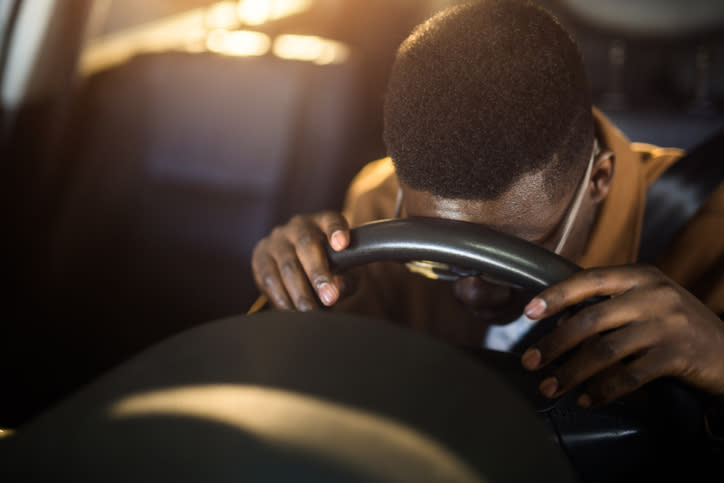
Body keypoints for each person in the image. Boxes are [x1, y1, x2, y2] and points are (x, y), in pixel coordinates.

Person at [251, 0, 724, 412]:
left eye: (510, 254)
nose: (475, 294)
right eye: (440, 256)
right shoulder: (379, 204)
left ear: (599, 179)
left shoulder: (710, 232)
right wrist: (300, 293)